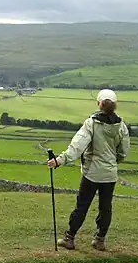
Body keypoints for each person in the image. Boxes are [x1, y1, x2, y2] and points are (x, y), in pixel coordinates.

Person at [47, 89, 130, 251]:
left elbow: (77, 146)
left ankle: (70, 238)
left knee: (82, 205)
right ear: (115, 106)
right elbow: (123, 152)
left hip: (91, 173)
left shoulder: (91, 123)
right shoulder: (122, 126)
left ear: (99, 103)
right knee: (105, 207)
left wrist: (59, 160)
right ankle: (100, 240)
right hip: (110, 174)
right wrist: (113, 162)